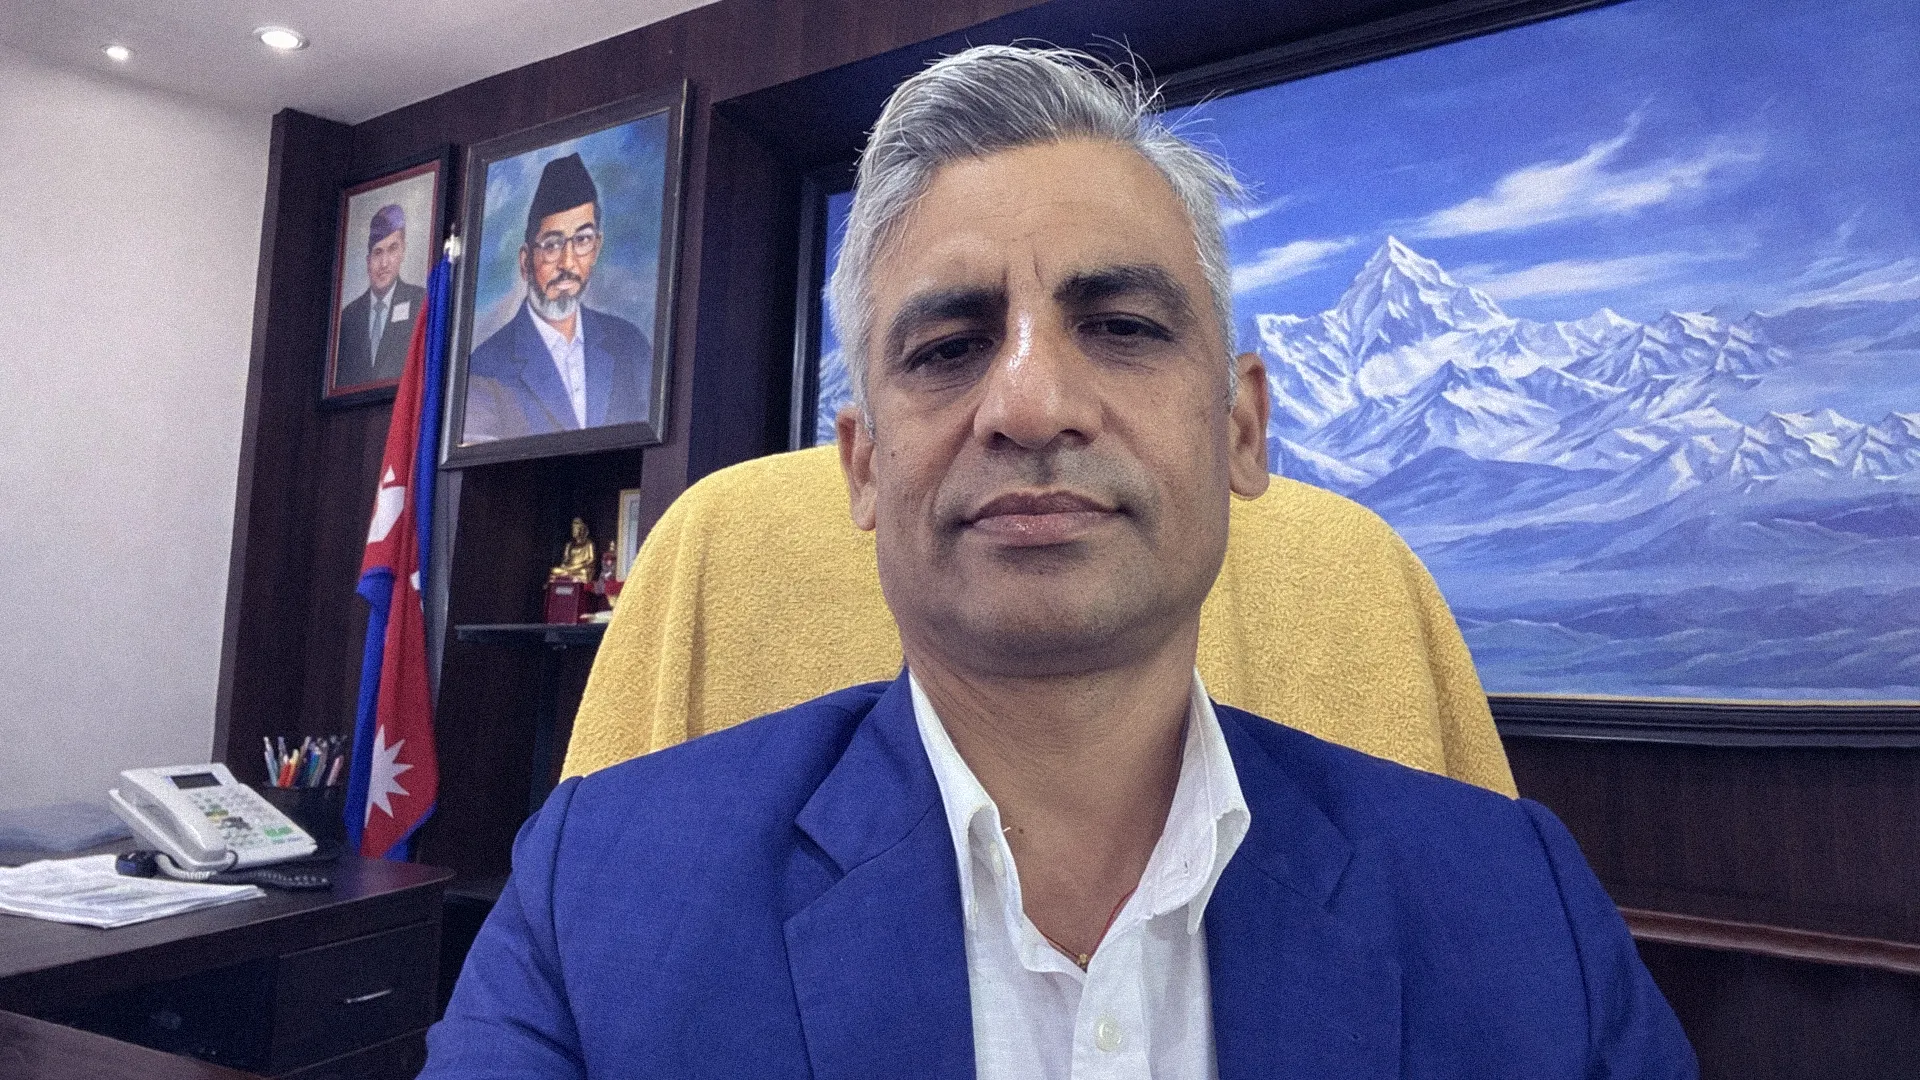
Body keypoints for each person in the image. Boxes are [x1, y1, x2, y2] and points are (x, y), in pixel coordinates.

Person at [420, 46, 1696, 1079]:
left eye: (1123, 326)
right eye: (946, 349)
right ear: (862, 468)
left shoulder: (1522, 909)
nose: (1031, 405)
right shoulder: (599, 898)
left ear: (1241, 432)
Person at [463, 152, 653, 442]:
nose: (568, 263)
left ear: (596, 248)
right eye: (552, 245)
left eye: (582, 240)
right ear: (525, 260)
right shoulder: (486, 368)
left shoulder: (630, 347)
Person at [334, 203, 426, 385]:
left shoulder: (419, 303)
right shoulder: (349, 317)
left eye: (392, 249)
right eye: (378, 252)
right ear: (368, 261)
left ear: (403, 251)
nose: (384, 263)